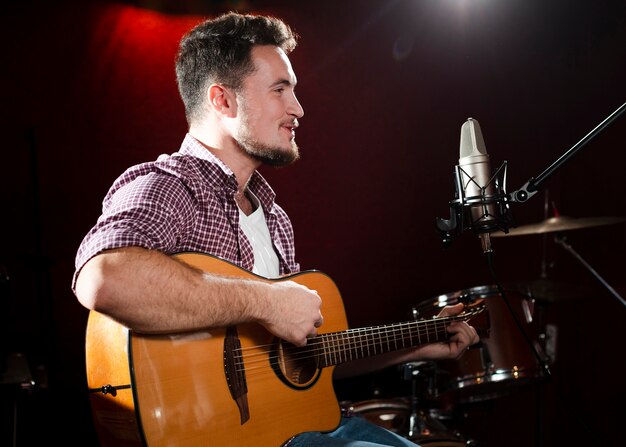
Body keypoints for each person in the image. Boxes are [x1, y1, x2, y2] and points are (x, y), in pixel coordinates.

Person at [72, 12, 479, 447]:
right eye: (280, 89)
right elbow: (103, 278)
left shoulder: (274, 216)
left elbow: (300, 360)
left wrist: (418, 344)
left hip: (306, 429)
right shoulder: (169, 186)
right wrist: (266, 301)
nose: (298, 109)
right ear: (222, 100)